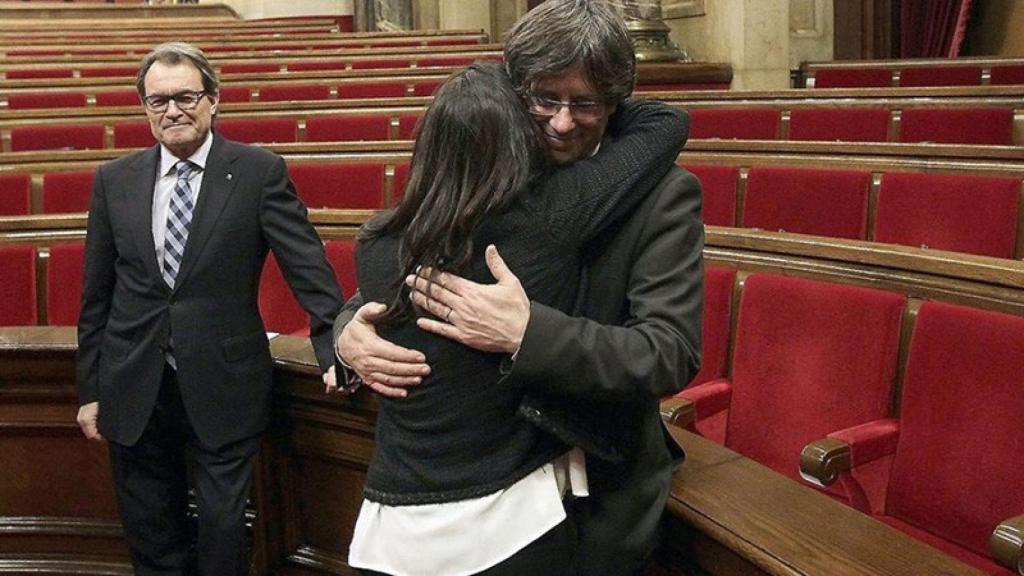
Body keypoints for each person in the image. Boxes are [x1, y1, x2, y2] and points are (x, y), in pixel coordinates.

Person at [332, 1, 704, 574]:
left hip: (595, 481)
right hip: (473, 475)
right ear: (515, 92)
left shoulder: (663, 194)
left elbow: (667, 353)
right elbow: (419, 262)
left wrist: (528, 334)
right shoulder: (487, 158)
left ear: (615, 102)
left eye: (586, 103)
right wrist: (346, 332)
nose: (561, 123)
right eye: (544, 99)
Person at [75, 41, 343, 576]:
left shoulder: (257, 171)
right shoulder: (115, 180)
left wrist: (334, 341)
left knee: (223, 533)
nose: (172, 110)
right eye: (157, 101)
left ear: (214, 100)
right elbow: (96, 295)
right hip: (135, 385)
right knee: (152, 535)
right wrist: (90, 390)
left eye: (185, 96)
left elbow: (306, 266)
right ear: (144, 108)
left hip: (225, 383)